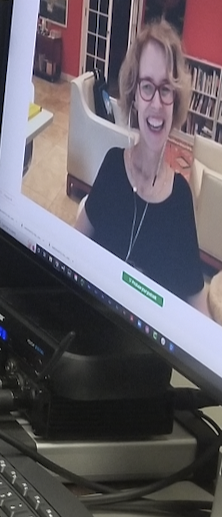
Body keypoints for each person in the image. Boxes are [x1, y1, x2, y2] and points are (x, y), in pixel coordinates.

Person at [75, 20, 208, 314]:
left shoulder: (181, 200)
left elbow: (198, 307)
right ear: (134, 96)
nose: (157, 103)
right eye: (147, 86)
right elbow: (73, 248)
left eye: (166, 89)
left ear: (176, 101)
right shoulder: (112, 166)